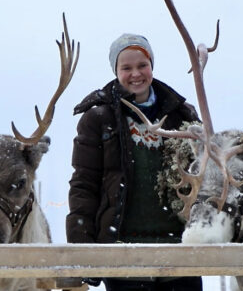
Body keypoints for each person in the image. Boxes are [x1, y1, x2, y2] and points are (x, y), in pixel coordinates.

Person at [66, 33, 202, 291]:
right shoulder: (98, 118)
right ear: (115, 71)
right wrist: (81, 247)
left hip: (181, 250)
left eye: (142, 65)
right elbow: (84, 184)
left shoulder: (182, 116)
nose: (136, 74)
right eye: (126, 68)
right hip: (123, 252)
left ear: (152, 65)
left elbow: (205, 179)